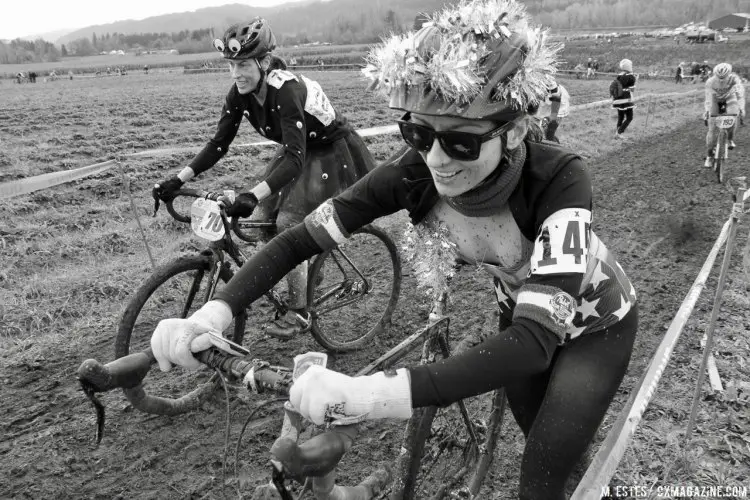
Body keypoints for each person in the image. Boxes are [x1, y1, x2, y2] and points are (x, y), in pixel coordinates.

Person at [150, 1, 638, 498]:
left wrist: (369, 395)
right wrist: (215, 312)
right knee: (539, 431)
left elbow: (536, 342)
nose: (436, 160)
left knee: (541, 471)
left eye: (462, 143)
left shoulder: (559, 179)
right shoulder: (412, 171)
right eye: (417, 133)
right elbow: (298, 241)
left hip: (596, 325)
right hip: (518, 310)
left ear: (512, 132)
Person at [152, 17, 376, 337]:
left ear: (265, 62)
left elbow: (296, 160)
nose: (236, 74)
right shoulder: (239, 94)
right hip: (295, 151)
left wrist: (252, 193)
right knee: (260, 221)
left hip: (328, 150)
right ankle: (307, 265)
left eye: (243, 65)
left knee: (288, 223)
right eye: (231, 65)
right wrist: (179, 178)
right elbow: (219, 144)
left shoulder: (286, 90)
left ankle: (299, 309)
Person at [703, 62, 744, 167]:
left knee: (733, 116)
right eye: (719, 77)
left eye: (724, 78)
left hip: (730, 98)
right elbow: (708, 98)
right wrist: (707, 110)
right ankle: (709, 156)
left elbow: (740, 95)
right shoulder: (710, 81)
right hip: (715, 100)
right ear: (715, 74)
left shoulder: (735, 79)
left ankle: (730, 139)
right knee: (711, 128)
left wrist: (741, 108)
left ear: (729, 74)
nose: (721, 80)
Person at [611, 58, 637, 137]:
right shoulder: (631, 76)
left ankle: (617, 132)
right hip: (626, 97)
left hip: (618, 96)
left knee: (621, 116)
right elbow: (632, 90)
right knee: (629, 117)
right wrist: (636, 79)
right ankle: (619, 132)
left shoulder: (619, 75)